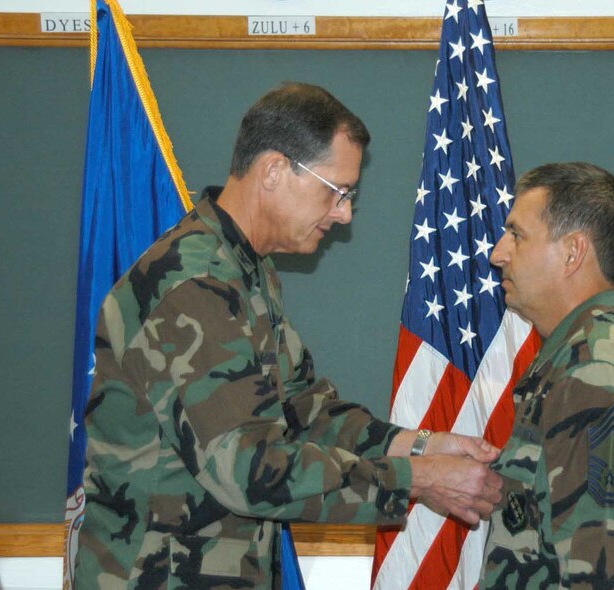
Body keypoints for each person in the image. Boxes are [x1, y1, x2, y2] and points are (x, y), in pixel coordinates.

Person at [75, 82, 503, 588]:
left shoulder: (245, 271)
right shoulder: (194, 287)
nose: (344, 213)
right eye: (337, 192)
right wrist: (418, 480)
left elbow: (303, 410)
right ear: (275, 170)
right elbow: (250, 470)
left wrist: (419, 447)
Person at [481, 162, 614, 589]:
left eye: (517, 235)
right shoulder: (579, 356)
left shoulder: (597, 371)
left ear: (574, 252)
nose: (497, 253)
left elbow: (608, 573)